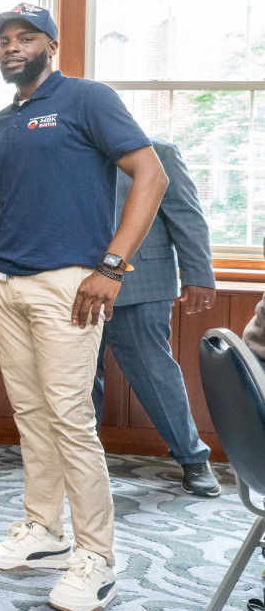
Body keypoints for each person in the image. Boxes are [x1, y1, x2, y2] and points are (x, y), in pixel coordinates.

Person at [0, 3, 168, 611]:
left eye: (26, 37)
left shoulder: (87, 98)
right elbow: (7, 203)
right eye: (4, 39)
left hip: (70, 284)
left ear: (52, 46)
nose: (12, 47)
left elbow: (151, 175)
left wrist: (110, 268)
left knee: (70, 419)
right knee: (32, 415)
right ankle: (44, 529)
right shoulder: (3, 121)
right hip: (8, 282)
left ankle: (97, 556)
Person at [92, 139, 219, 497]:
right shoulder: (70, 149)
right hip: (76, 283)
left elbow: (187, 215)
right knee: (79, 380)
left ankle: (193, 459)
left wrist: (198, 274)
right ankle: (82, 461)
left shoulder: (158, 151)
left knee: (156, 375)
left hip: (141, 284)